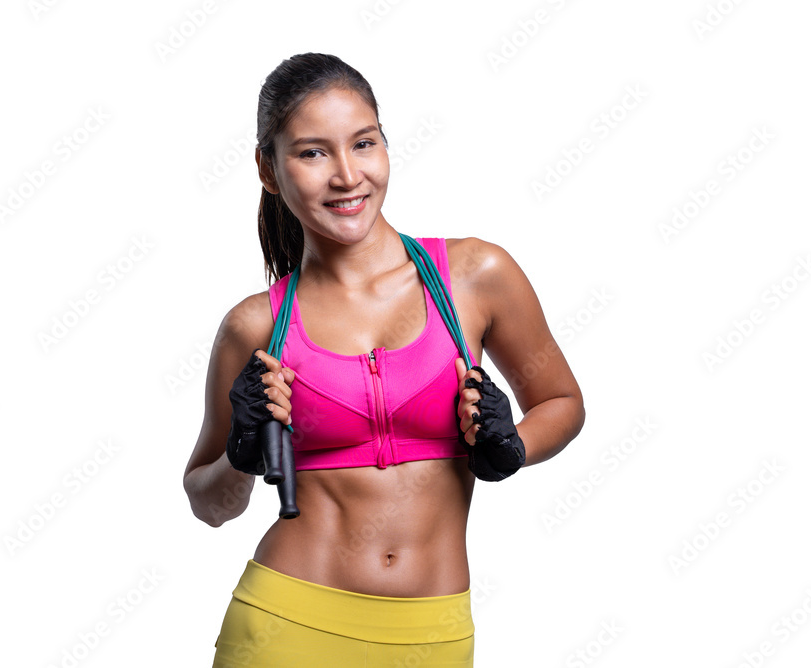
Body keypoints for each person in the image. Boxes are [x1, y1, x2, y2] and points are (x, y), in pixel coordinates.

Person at [183, 52, 585, 667]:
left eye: (363, 144)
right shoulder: (256, 326)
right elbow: (208, 504)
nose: (347, 176)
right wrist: (242, 453)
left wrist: (513, 445)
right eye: (313, 153)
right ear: (268, 169)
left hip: (430, 634)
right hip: (285, 623)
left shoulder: (476, 276)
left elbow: (562, 402)